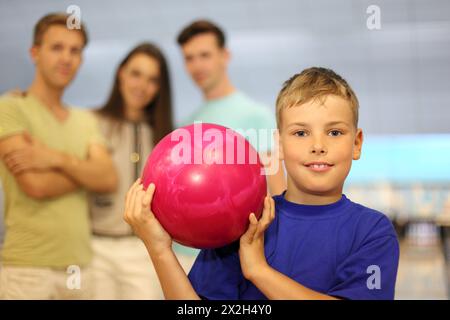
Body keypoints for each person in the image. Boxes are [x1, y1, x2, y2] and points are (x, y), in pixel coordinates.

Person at [123, 67, 400, 300]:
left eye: (335, 132)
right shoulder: (245, 223)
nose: (318, 146)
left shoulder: (373, 231)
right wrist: (159, 249)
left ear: (357, 143)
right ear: (278, 143)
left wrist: (258, 270)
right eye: (301, 132)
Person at [0, 13, 117, 299]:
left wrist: (54, 159)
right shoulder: (10, 108)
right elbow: (36, 185)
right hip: (25, 270)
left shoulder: (85, 119)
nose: (66, 58)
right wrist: (86, 171)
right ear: (35, 53)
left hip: (81, 268)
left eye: (75, 50)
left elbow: (109, 179)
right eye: (57, 47)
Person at [89, 42, 173, 299]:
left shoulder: (168, 138)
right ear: (121, 73)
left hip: (143, 249)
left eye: (152, 80)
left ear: (160, 88)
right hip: (95, 248)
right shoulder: (91, 122)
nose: (141, 86)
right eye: (136, 74)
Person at [177, 20, 286, 196]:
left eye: (205, 55)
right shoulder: (185, 127)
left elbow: (277, 192)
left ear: (225, 56)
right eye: (189, 58)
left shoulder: (257, 116)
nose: (197, 66)